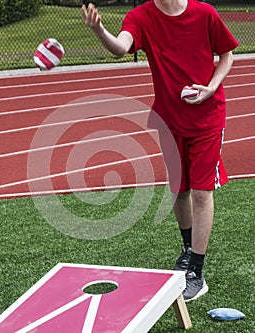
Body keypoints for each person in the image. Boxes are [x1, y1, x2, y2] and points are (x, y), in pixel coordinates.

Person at [81, 0, 239, 302]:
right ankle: (186, 249)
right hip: (169, 119)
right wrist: (99, 29)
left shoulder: (205, 13)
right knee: (179, 190)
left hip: (207, 116)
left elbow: (226, 55)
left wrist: (210, 86)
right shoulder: (141, 16)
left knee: (202, 192)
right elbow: (120, 46)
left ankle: (196, 271)